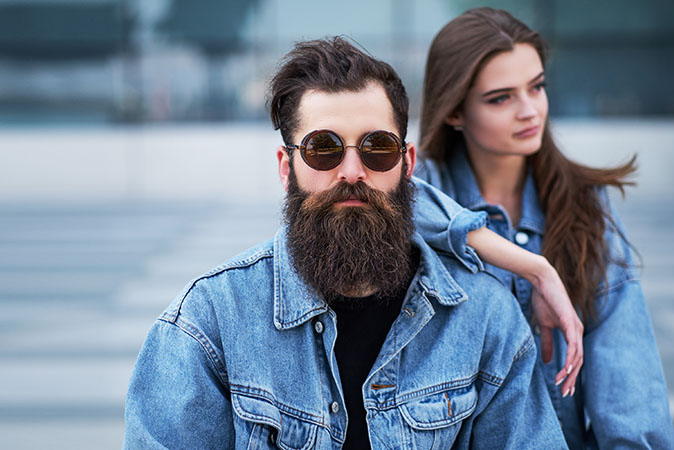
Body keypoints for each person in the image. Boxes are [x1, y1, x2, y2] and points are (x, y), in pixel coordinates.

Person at [124, 36, 567, 449]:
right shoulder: (209, 324)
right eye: (323, 148)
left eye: (377, 148)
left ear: (407, 164)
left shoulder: (485, 319)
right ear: (286, 167)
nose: (352, 172)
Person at [414, 7, 674, 449]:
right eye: (501, 98)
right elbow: (390, 198)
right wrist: (536, 268)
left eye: (536, 87)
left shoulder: (585, 207)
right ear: (454, 112)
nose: (529, 110)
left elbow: (630, 397)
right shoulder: (427, 189)